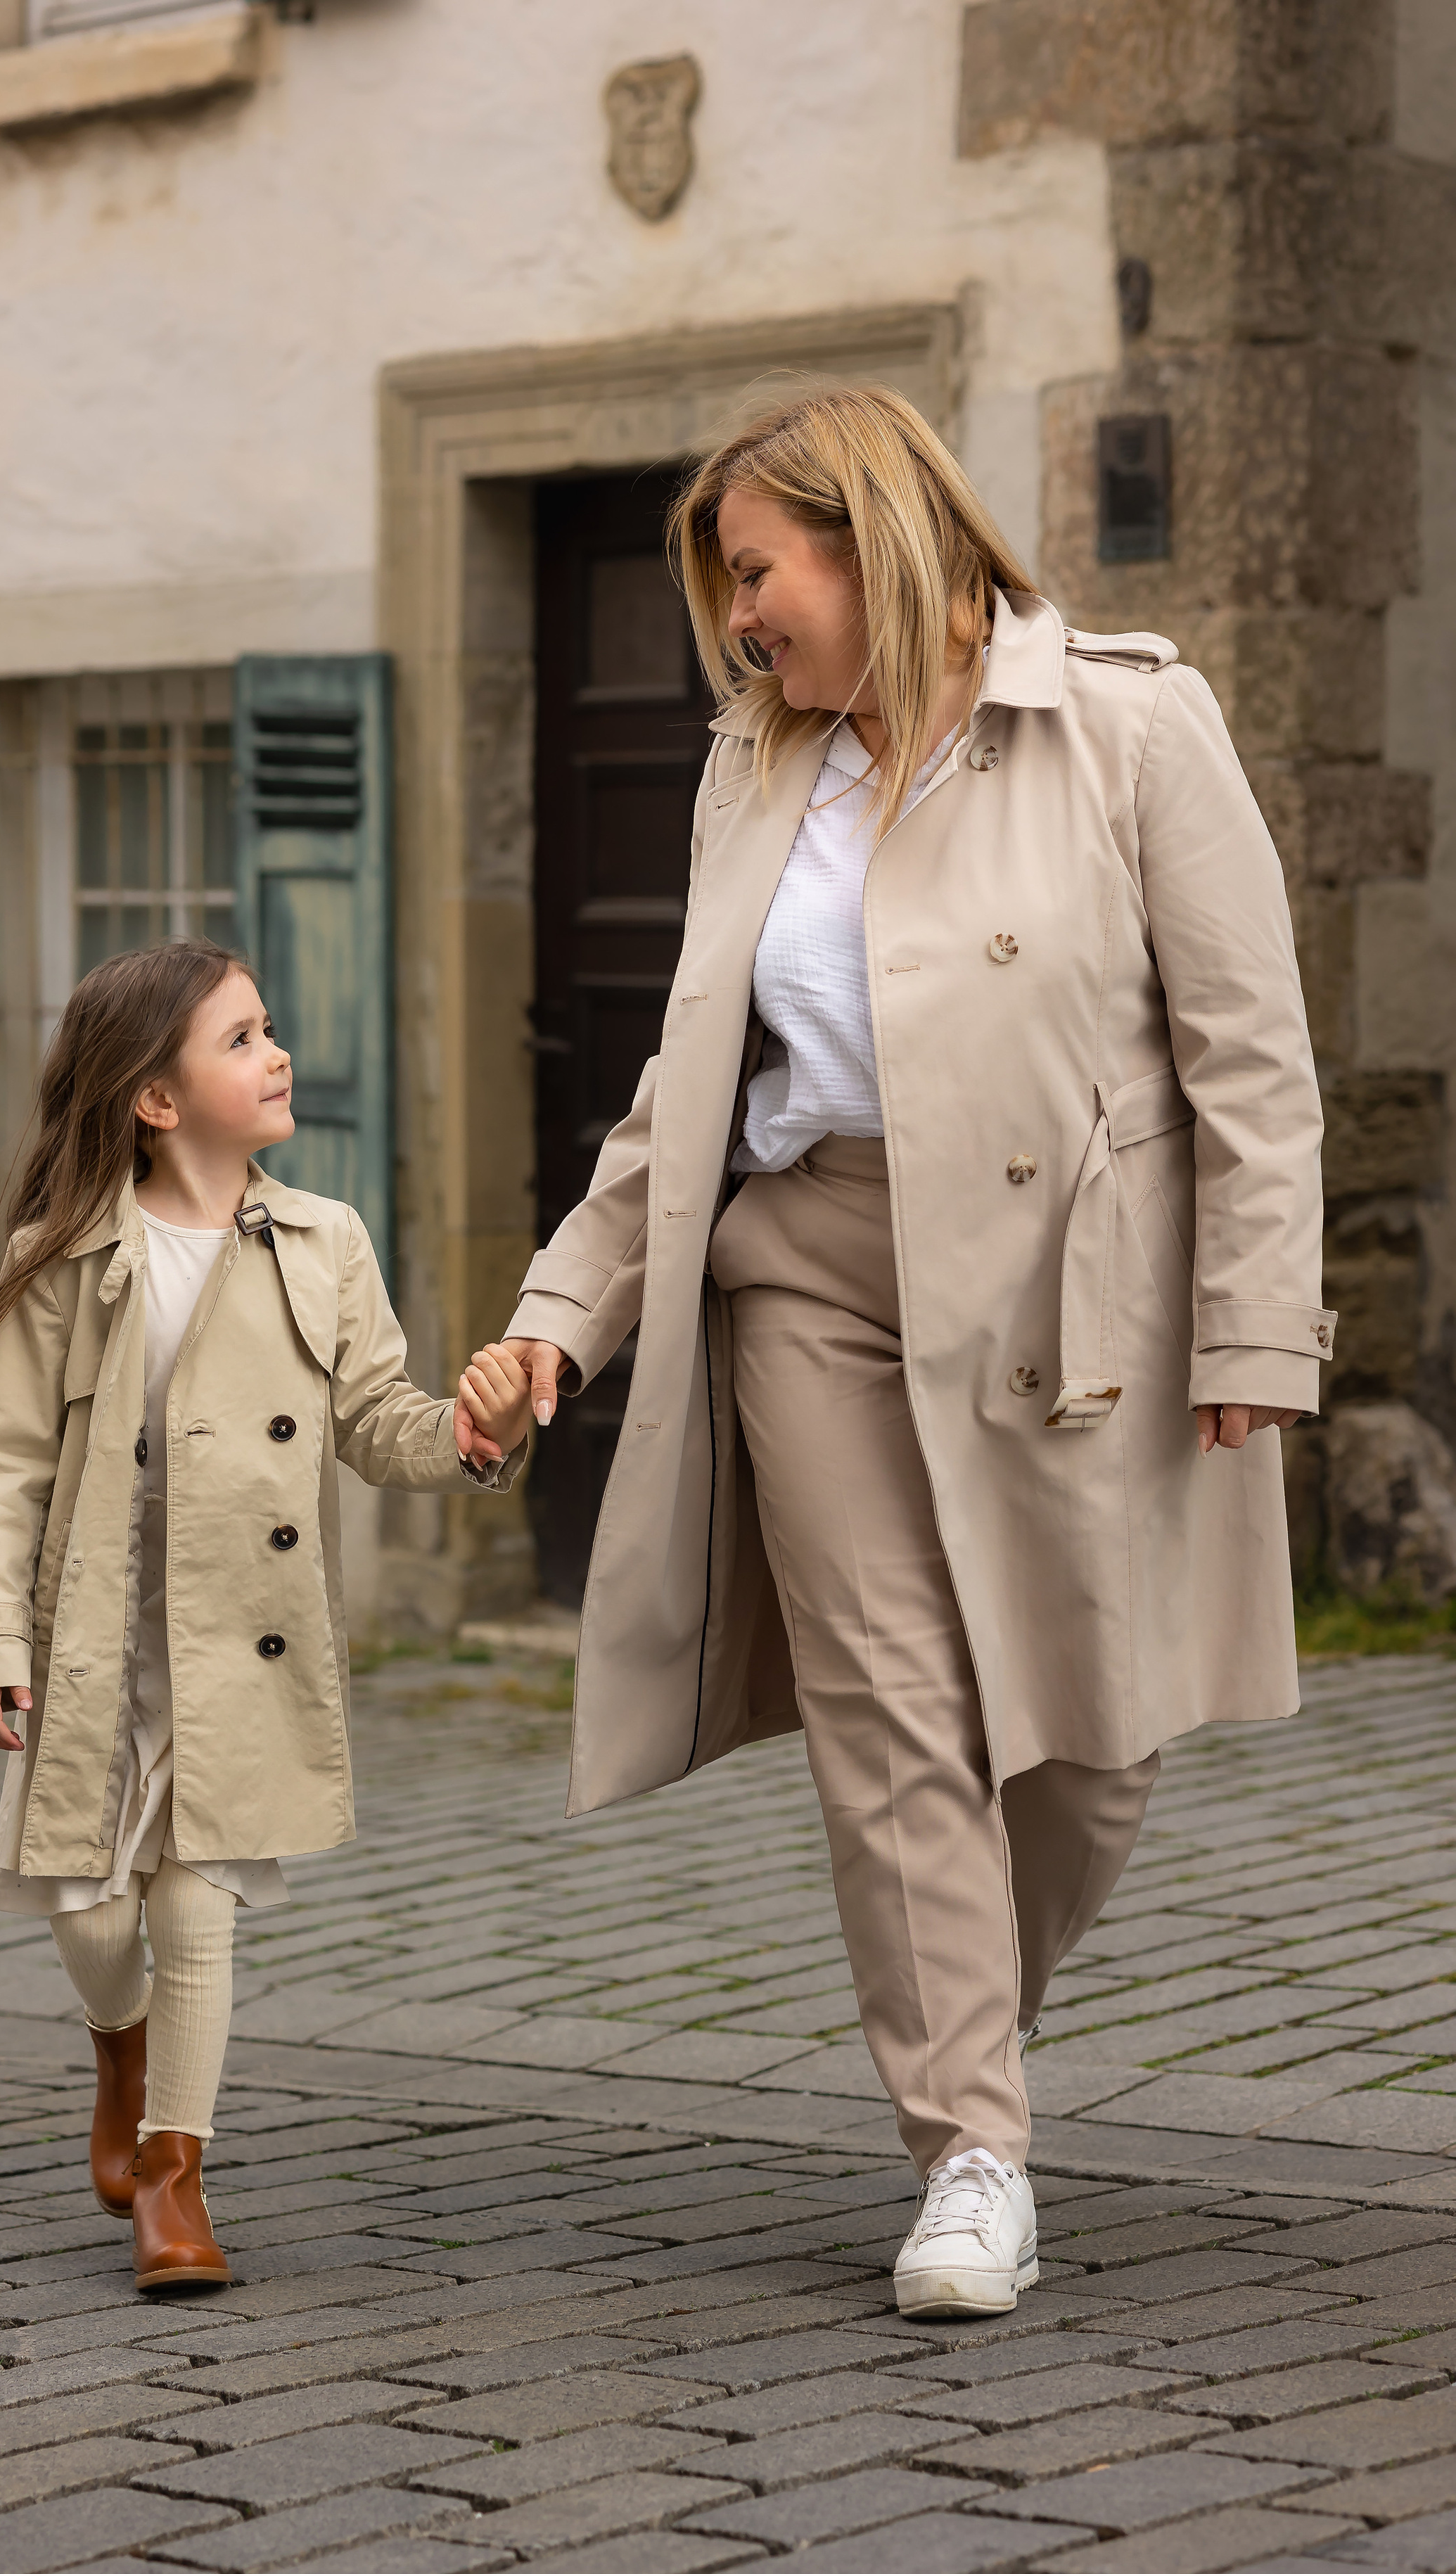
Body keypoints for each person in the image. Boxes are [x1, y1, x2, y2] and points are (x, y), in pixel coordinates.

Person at [503, 386, 1333, 2320]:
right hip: (813, 1270)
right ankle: (972, 2148)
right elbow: (686, 1089)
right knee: (890, 1711)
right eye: (727, 590)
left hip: (1073, 1302)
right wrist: (563, 1310)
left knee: (1090, 1748)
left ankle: (955, 2012)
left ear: (869, 534)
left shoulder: (1126, 722)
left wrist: (1257, 1328)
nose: (739, 626)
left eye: (758, 573)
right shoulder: (750, 770)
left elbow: (1254, 1065)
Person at [0, 939, 530, 2293]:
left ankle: (174, 2172)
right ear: (156, 1097)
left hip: (242, 1633)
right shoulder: (68, 1254)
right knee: (95, 1920)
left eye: (269, 1030)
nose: (277, 1055)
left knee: (198, 1909)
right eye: (243, 1038)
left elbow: (379, 1427)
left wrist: (476, 1433)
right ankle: (123, 2040)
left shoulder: (324, 1242)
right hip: (96, 1635)